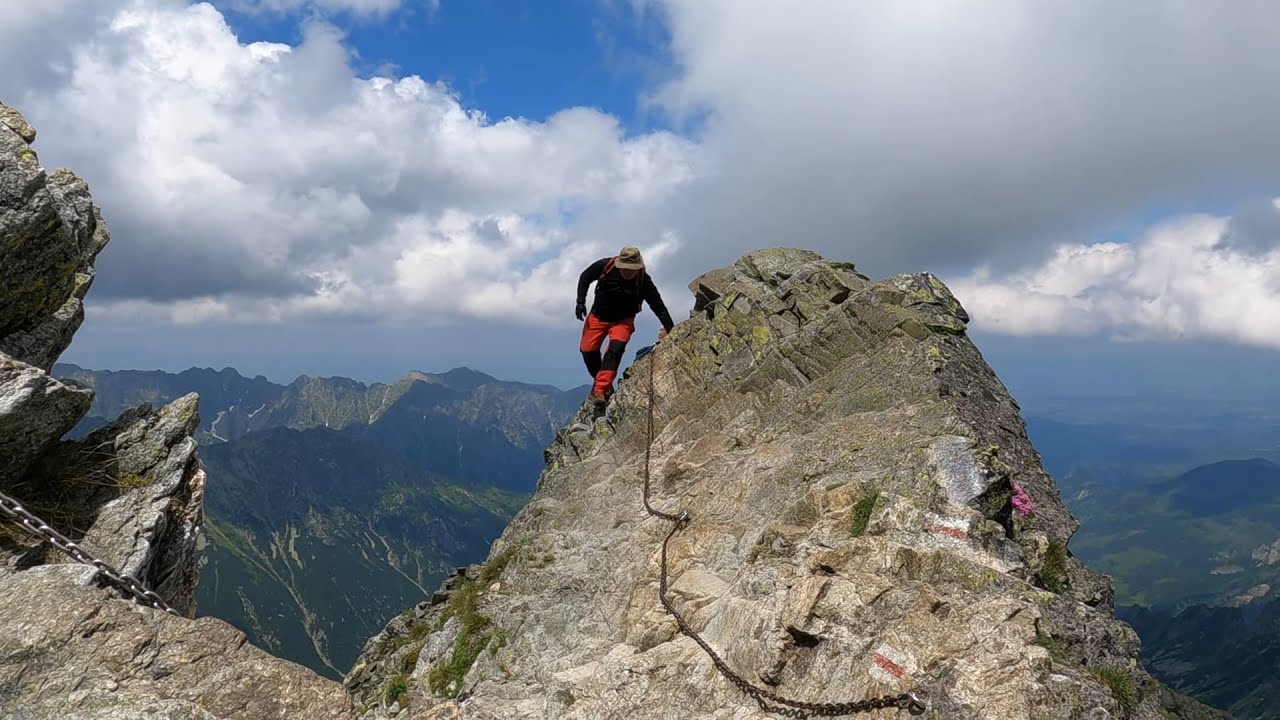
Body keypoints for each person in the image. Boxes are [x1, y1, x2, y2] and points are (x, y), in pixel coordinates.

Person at [576, 246, 674, 407]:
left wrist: (671, 329)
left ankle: (600, 390)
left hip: (623, 320)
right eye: (624, 268)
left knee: (616, 349)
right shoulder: (605, 266)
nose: (627, 272)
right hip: (598, 316)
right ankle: (603, 384)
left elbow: (658, 306)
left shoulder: (643, 281)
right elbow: (585, 277)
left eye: (631, 269)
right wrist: (580, 302)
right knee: (587, 350)